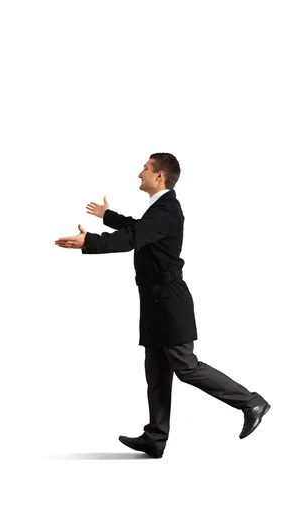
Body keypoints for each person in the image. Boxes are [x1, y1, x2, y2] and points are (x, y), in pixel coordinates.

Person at [54, 153, 270, 458]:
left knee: (185, 366)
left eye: (145, 168)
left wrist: (90, 242)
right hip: (155, 302)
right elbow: (138, 227)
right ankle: (155, 438)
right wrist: (108, 216)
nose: (139, 173)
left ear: (160, 176)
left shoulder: (167, 209)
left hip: (169, 302)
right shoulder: (160, 210)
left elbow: (134, 237)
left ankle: (250, 402)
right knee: (155, 369)